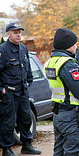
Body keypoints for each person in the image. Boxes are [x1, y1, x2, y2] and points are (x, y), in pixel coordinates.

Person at [44, 28, 79, 156]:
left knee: (59, 151)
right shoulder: (68, 64)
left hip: (59, 114)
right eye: (74, 43)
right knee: (72, 151)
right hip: (72, 116)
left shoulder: (51, 62)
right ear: (67, 46)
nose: (76, 46)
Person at [0, 22, 42, 156]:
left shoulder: (23, 48)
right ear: (8, 34)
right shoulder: (3, 50)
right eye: (15, 32)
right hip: (9, 92)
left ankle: (27, 145)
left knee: (26, 118)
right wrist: (1, 89)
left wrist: (29, 81)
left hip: (23, 90)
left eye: (19, 32)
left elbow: (27, 67)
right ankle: (7, 149)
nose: (18, 35)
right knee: (8, 121)